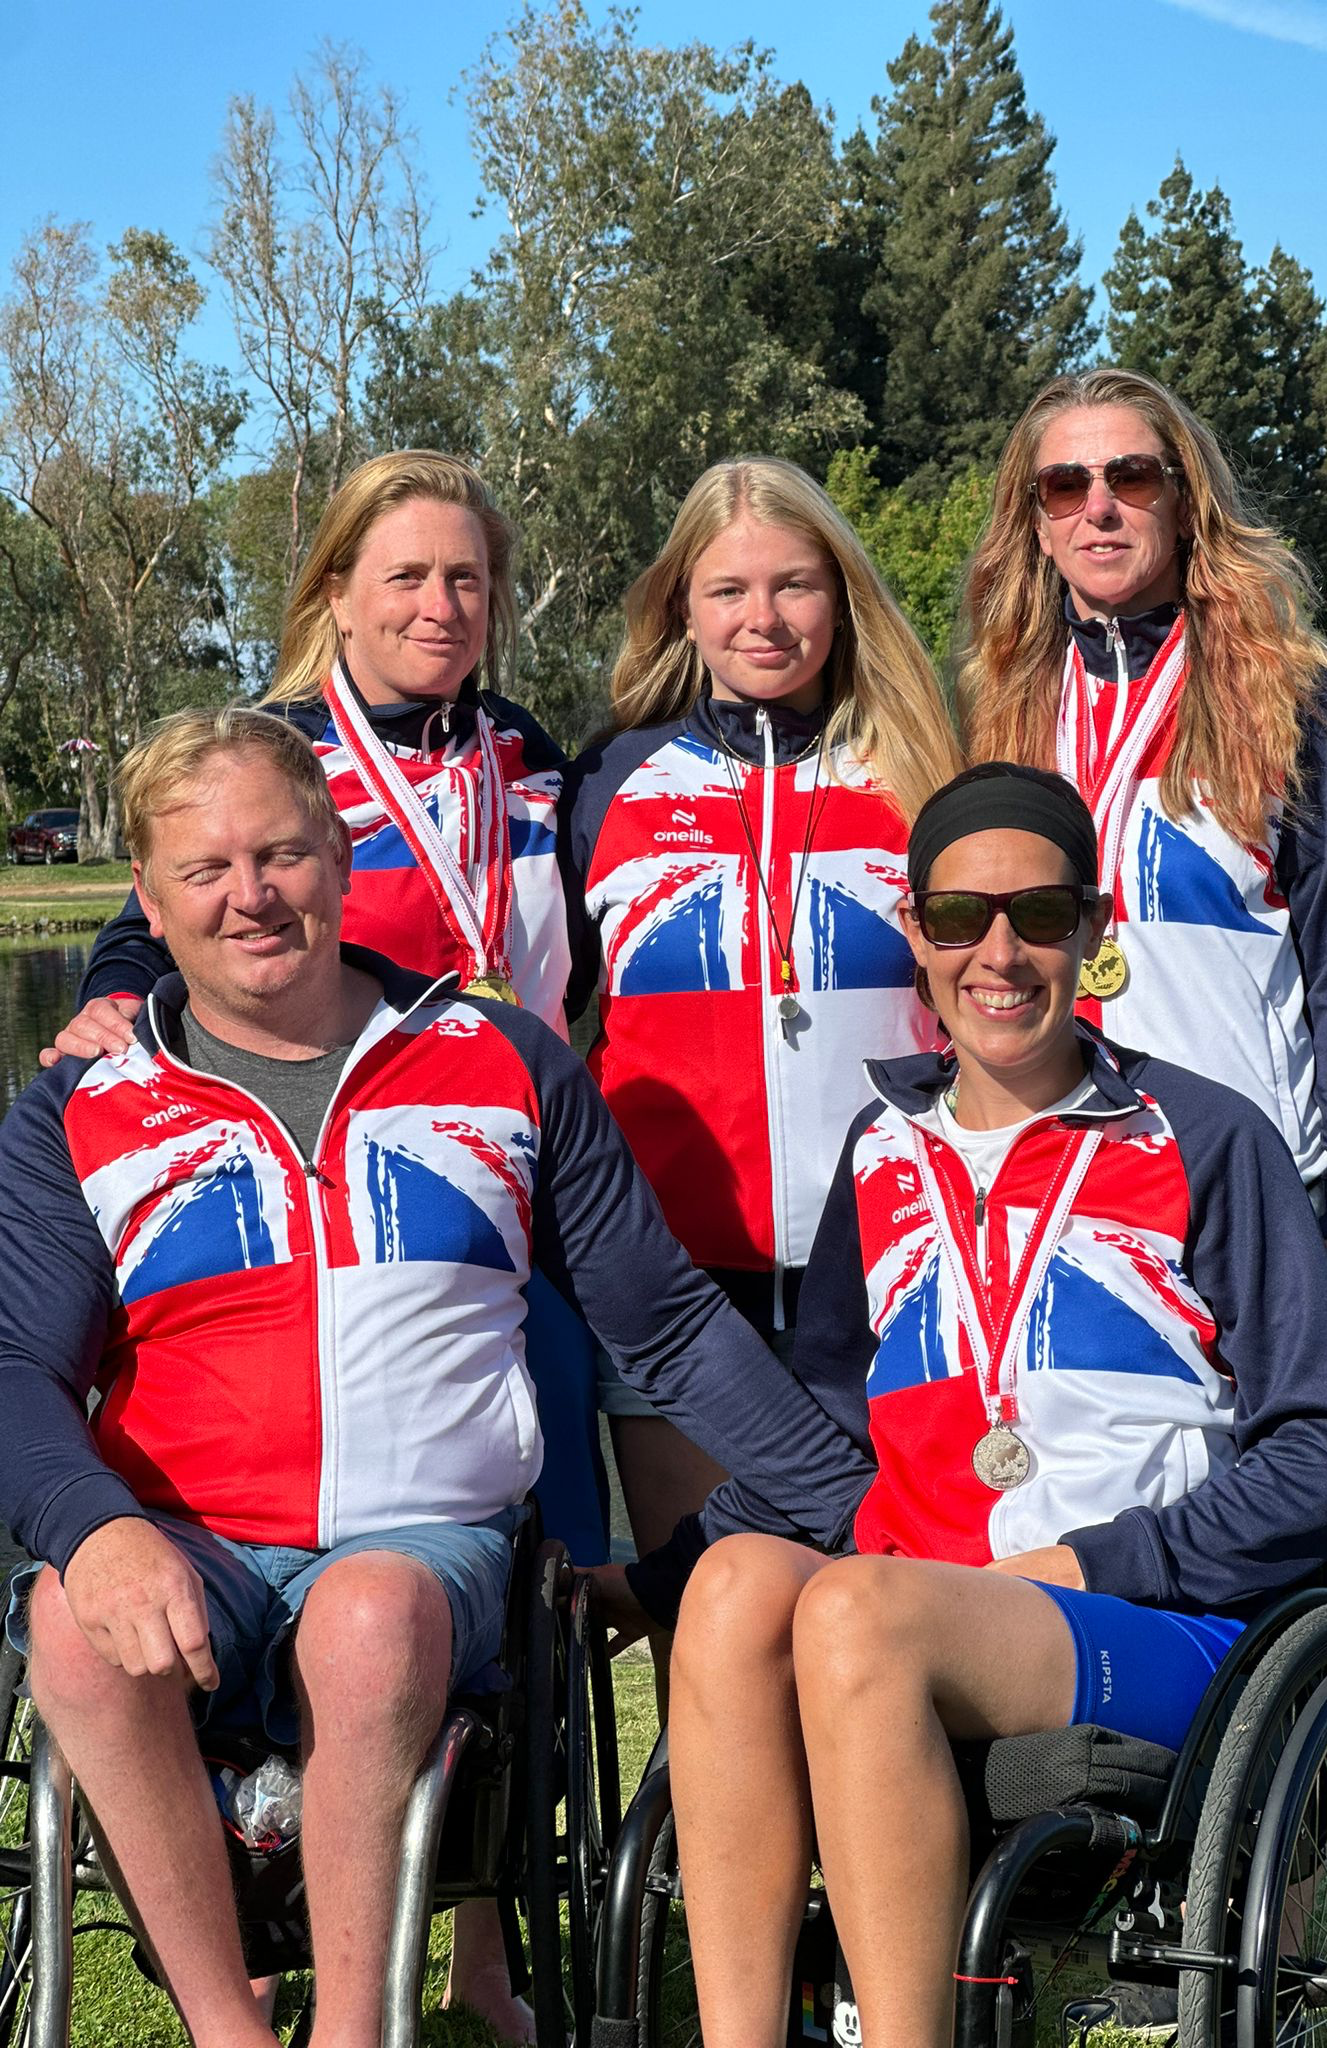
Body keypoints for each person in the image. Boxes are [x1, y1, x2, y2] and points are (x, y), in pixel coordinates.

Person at [0, 710, 873, 2048]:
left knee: (366, 1621)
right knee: (70, 1617)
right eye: (206, 870)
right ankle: (228, 2034)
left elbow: (671, 1327)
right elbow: (14, 1371)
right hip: (188, 1550)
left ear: (341, 857)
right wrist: (97, 1526)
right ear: (150, 899)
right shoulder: (82, 1107)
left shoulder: (502, 1059)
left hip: (435, 1555)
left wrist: (850, 1490)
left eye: (283, 854)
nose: (251, 897)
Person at [641, 765, 1327, 2048]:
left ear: (1093, 929)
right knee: (733, 1594)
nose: (1000, 951)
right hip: (928, 1605)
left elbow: (1326, 1450)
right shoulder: (878, 1155)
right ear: (915, 936)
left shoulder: (1205, 1136)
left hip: (1157, 1621)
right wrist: (648, 1574)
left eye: (1039, 914)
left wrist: (1103, 1557)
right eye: (958, 916)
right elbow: (827, 1437)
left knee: (859, 1612)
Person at [41, 452, 601, 2035]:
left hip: (492, 1169)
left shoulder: (534, 757)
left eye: (467, 579)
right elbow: (176, 907)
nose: (441, 604)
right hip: (303, 1153)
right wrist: (101, 996)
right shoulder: (275, 757)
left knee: (521, 1553)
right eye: (405, 576)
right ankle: (267, 1940)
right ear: (335, 594)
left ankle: (484, 1950)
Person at [562, 455, 963, 1573]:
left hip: (895, 1266)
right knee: (706, 1613)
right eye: (729, 589)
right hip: (674, 1282)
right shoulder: (610, 782)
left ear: (840, 596)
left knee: (880, 1609)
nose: (764, 618)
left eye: (794, 584)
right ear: (679, 605)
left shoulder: (919, 767)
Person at [959, 368, 1327, 1333]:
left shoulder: (1281, 694)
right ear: (1035, 524)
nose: (1100, 509)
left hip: (1251, 1185)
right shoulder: (1003, 705)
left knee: (1286, 1478)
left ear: (1184, 498)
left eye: (1131, 477)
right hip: (1059, 1185)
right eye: (1064, 487)